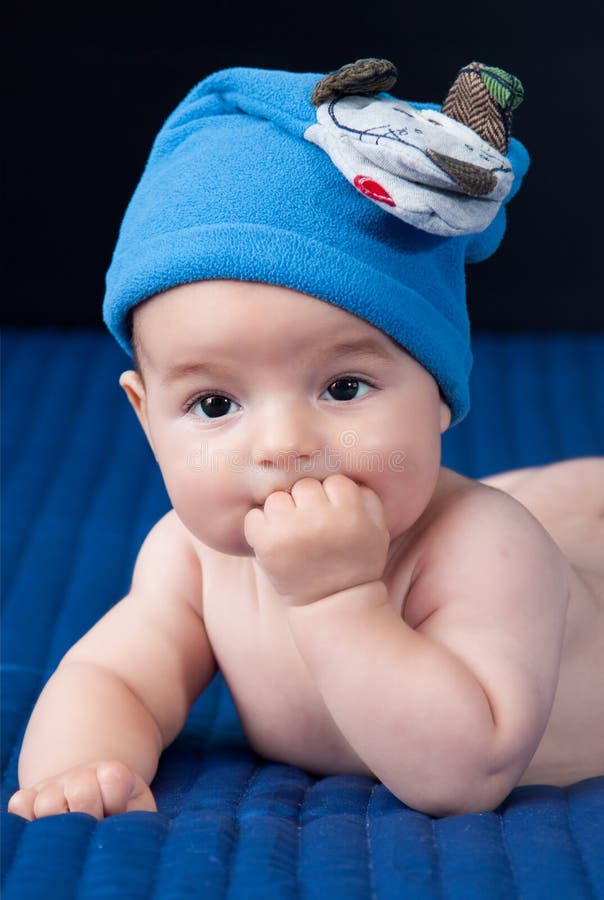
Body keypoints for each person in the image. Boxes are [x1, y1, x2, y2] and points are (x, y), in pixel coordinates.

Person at [8, 60, 603, 821]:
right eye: (215, 403)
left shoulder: (486, 547)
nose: (285, 444)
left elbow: (466, 774)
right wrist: (83, 763)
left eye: (344, 388)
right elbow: (115, 676)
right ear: (145, 419)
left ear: (439, 397)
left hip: (570, 587)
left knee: (557, 521)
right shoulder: (192, 559)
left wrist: (339, 598)